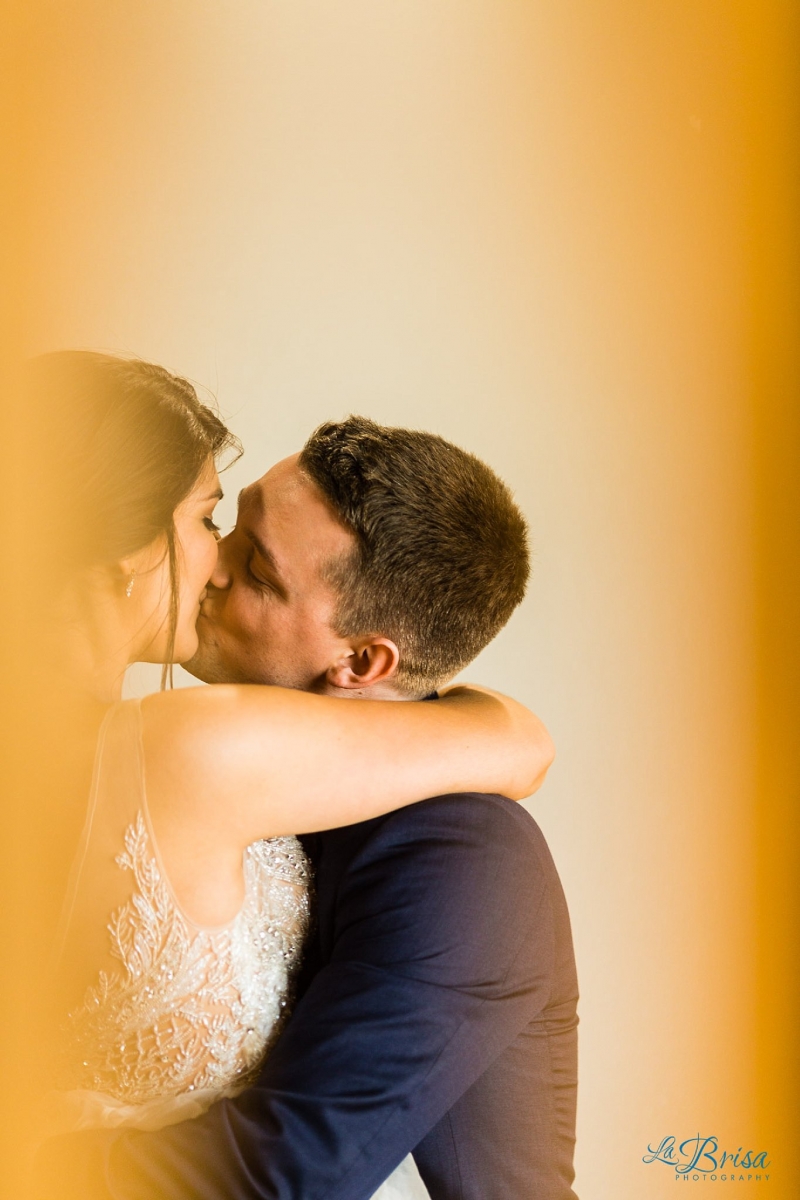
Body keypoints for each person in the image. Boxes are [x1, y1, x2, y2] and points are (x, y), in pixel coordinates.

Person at [30, 354, 554, 1198]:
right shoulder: (187, 748)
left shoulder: (459, 847)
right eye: (213, 523)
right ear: (125, 557)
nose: (216, 566)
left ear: (363, 660)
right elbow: (521, 741)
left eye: (255, 564)